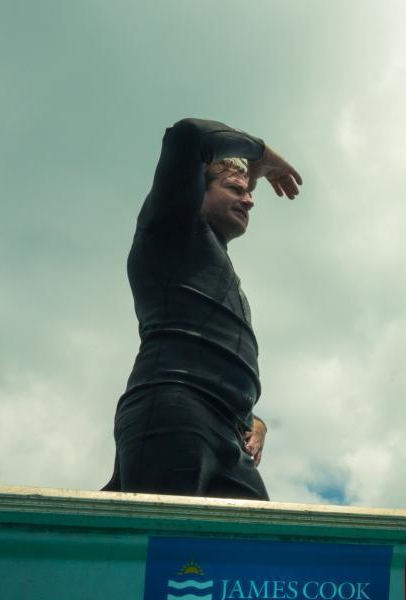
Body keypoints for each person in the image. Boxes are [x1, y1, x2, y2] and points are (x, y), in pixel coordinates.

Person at [103, 118, 302, 500]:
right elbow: (187, 135)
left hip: (227, 433)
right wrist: (260, 157)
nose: (249, 199)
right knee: (160, 548)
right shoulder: (173, 226)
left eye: (249, 191)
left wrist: (255, 422)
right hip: (176, 406)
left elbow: (216, 360)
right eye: (234, 188)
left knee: (252, 551)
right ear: (196, 192)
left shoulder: (216, 267)